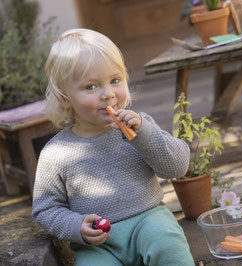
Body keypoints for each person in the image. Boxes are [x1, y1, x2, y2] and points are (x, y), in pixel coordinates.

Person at [32, 28, 194, 266]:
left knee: (167, 242)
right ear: (65, 98)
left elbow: (178, 167)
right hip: (99, 246)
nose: (108, 94)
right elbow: (45, 210)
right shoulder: (56, 153)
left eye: (115, 81)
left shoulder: (139, 128)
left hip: (149, 221)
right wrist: (76, 227)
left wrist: (143, 134)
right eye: (91, 87)